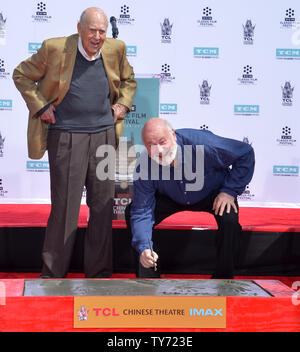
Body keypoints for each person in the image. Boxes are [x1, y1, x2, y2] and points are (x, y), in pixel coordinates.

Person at [13, 7, 137, 278]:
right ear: (79, 28)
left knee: (103, 207)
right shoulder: (55, 49)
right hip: (67, 136)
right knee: (65, 208)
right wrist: (41, 105)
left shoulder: (116, 49)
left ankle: (100, 273)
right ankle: (53, 273)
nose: (97, 37)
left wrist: (122, 105)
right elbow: (21, 74)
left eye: (102, 31)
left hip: (105, 137)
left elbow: (129, 81)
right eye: (92, 30)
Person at [125, 118, 255, 279]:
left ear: (173, 135)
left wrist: (229, 191)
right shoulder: (144, 166)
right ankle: (149, 280)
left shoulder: (205, 145)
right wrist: (144, 247)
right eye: (151, 145)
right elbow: (142, 211)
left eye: (162, 141)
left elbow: (245, 153)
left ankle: (224, 279)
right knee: (131, 212)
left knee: (229, 219)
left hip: (211, 192)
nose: (158, 150)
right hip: (171, 197)